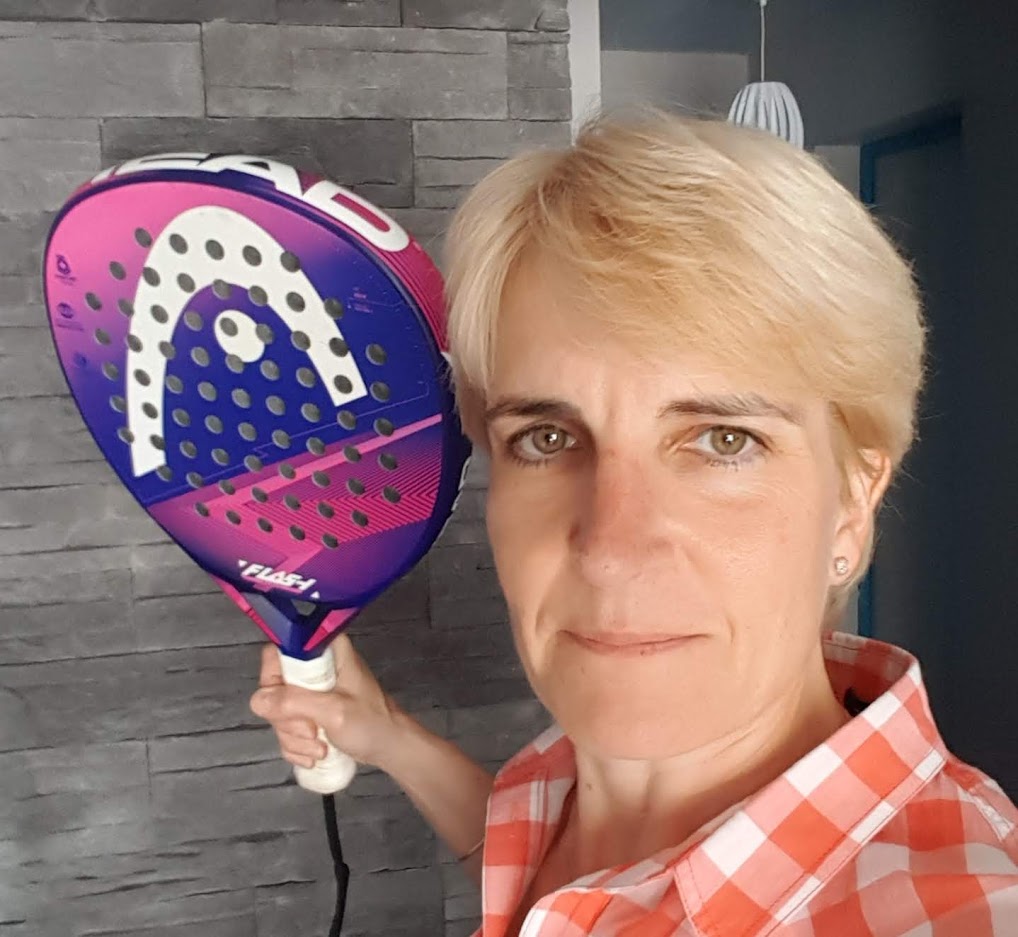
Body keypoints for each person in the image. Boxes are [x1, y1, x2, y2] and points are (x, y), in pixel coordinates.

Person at [250, 110, 1018, 935]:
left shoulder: (962, 905)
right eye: (546, 438)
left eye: (724, 440)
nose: (610, 550)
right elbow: (550, 885)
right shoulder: (569, 775)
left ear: (854, 501)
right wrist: (390, 735)